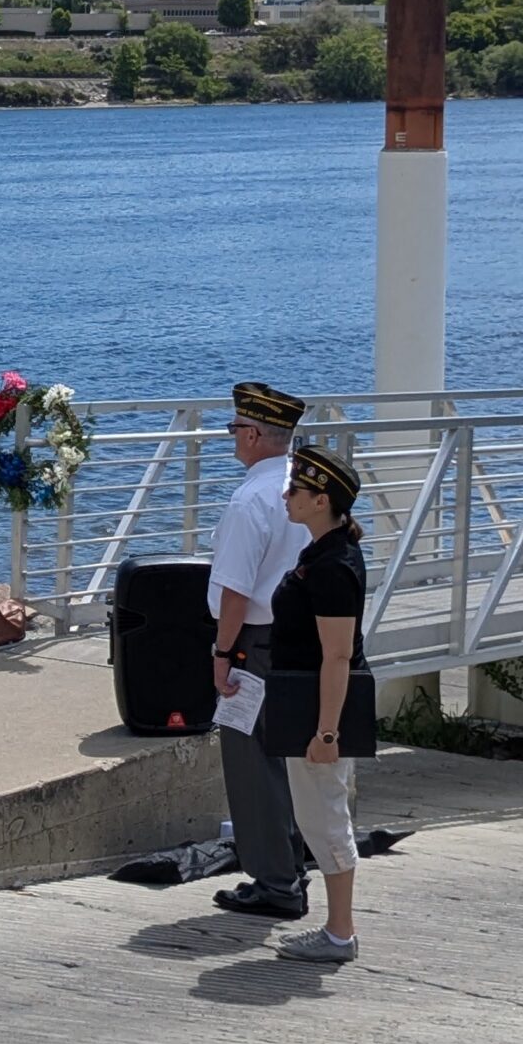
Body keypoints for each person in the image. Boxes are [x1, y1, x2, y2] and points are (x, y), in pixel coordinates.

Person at [207, 381, 314, 921]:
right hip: (303, 639)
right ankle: (293, 866)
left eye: (235, 429)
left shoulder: (250, 499)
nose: (233, 438)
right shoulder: (308, 490)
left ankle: (276, 884)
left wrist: (222, 653)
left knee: (253, 766)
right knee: (292, 762)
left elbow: (235, 591)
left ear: (252, 434)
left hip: (258, 644)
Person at [271, 442, 372, 965]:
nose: (286, 496)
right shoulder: (322, 552)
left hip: (320, 709)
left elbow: (338, 655)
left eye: (296, 490)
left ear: (321, 500)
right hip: (307, 703)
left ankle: (339, 933)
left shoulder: (333, 565)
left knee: (325, 817)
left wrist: (327, 732)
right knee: (319, 815)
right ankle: (338, 929)